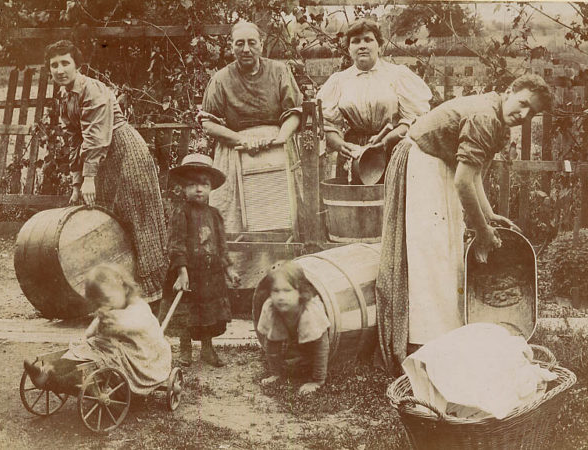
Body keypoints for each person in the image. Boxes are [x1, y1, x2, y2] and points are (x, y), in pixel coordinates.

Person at [375, 74, 552, 374]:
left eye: (532, 113)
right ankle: (423, 345)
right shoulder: (484, 117)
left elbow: (474, 174)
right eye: (522, 103)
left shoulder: (497, 119)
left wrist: (489, 214)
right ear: (508, 91)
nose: (524, 115)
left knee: (446, 251)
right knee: (430, 255)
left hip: (438, 165)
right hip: (421, 161)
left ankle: (441, 337)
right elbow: (463, 182)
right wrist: (482, 232)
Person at [45, 40, 167, 302]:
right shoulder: (65, 96)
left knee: (138, 220)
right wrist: (77, 183)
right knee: (110, 224)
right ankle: (121, 296)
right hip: (101, 160)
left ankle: (154, 299)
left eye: (65, 62)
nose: (60, 69)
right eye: (54, 65)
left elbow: (96, 136)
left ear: (78, 65)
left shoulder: (92, 89)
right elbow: (74, 138)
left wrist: (89, 177)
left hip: (124, 153)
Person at [198, 21, 303, 287]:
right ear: (231, 46)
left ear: (261, 45)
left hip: (276, 151)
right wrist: (241, 138)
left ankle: (279, 281)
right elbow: (208, 122)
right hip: (235, 150)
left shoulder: (280, 71)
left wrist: (278, 139)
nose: (246, 49)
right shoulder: (221, 79)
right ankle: (239, 283)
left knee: (278, 215)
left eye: (251, 42)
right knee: (233, 215)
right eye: (239, 43)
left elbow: (294, 114)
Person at [23, 263, 172, 395]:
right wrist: (88, 335)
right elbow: (96, 324)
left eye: (107, 299)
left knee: (92, 363)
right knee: (81, 352)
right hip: (112, 348)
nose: (105, 305)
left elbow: (135, 324)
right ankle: (48, 370)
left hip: (139, 356)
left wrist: (116, 324)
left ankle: (56, 381)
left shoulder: (139, 307)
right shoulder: (111, 305)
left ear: (124, 287)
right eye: (100, 302)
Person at [316, 19, 432, 179]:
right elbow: (325, 123)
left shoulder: (398, 75)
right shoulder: (339, 80)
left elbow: (414, 119)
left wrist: (386, 141)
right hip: (353, 153)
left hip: (391, 149)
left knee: (389, 201)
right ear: (349, 49)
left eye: (368, 40)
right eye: (355, 41)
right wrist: (341, 145)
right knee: (352, 201)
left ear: (379, 45)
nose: (362, 45)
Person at [161, 153, 240, 368]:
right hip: (187, 273)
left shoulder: (214, 215)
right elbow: (175, 244)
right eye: (193, 184)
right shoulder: (181, 213)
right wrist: (182, 271)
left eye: (204, 184)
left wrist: (229, 270)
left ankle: (207, 348)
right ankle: (185, 349)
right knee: (186, 313)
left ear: (211, 187)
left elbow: (221, 246)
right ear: (183, 188)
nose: (198, 189)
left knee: (209, 314)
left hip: (210, 275)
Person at [257, 261, 331, 395]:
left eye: (287, 290)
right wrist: (276, 373)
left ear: (300, 291)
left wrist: (318, 380)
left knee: (313, 348)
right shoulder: (271, 307)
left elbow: (322, 346)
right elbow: (272, 342)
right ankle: (284, 367)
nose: (281, 297)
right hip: (294, 338)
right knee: (276, 339)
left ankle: (314, 372)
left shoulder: (310, 310)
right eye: (276, 291)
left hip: (315, 340)